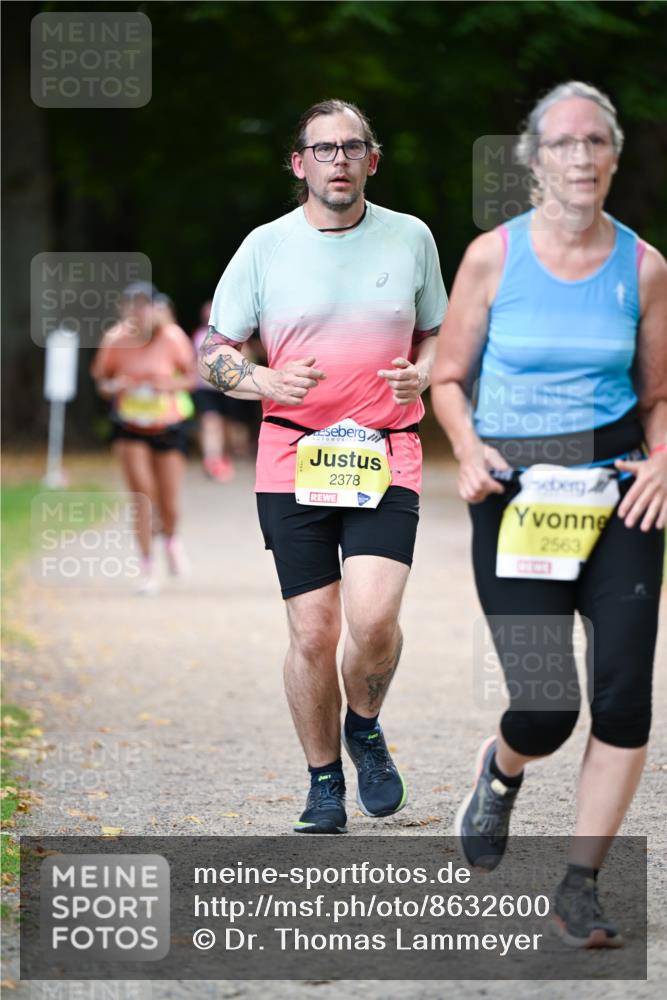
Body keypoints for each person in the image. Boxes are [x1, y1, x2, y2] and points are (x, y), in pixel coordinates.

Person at [431, 81, 666, 947]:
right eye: (562, 143)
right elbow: (445, 377)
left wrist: (663, 459)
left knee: (623, 699)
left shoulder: (644, 267)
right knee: (544, 710)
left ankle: (580, 886)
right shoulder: (490, 257)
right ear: (534, 160)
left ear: (613, 156)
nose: (579, 156)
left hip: (617, 491)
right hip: (515, 493)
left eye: (594, 141)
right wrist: (466, 449)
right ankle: (499, 772)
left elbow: (658, 395)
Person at [199, 99, 447, 834]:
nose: (338, 159)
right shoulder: (265, 247)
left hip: (384, 449)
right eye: (323, 148)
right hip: (292, 455)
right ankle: (323, 781)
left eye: (351, 147)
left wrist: (425, 374)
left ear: (372, 160)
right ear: (298, 163)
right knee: (312, 633)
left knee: (373, 620)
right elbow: (213, 351)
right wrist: (263, 381)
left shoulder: (411, 237)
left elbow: (441, 335)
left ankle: (362, 725)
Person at [91, 282, 197, 594]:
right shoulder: (115, 339)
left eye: (144, 305)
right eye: (132, 305)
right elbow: (101, 381)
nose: (138, 312)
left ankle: (171, 539)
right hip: (130, 426)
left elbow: (192, 378)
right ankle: (148, 569)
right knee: (142, 497)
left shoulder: (172, 337)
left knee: (169, 503)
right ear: (123, 309)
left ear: (155, 308)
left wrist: (168, 386)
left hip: (168, 426)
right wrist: (115, 387)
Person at [191, 301, 261, 482]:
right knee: (210, 422)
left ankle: (225, 458)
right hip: (205, 388)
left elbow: (248, 359)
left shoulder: (236, 335)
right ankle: (212, 460)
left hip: (229, 387)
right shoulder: (199, 335)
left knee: (228, 426)